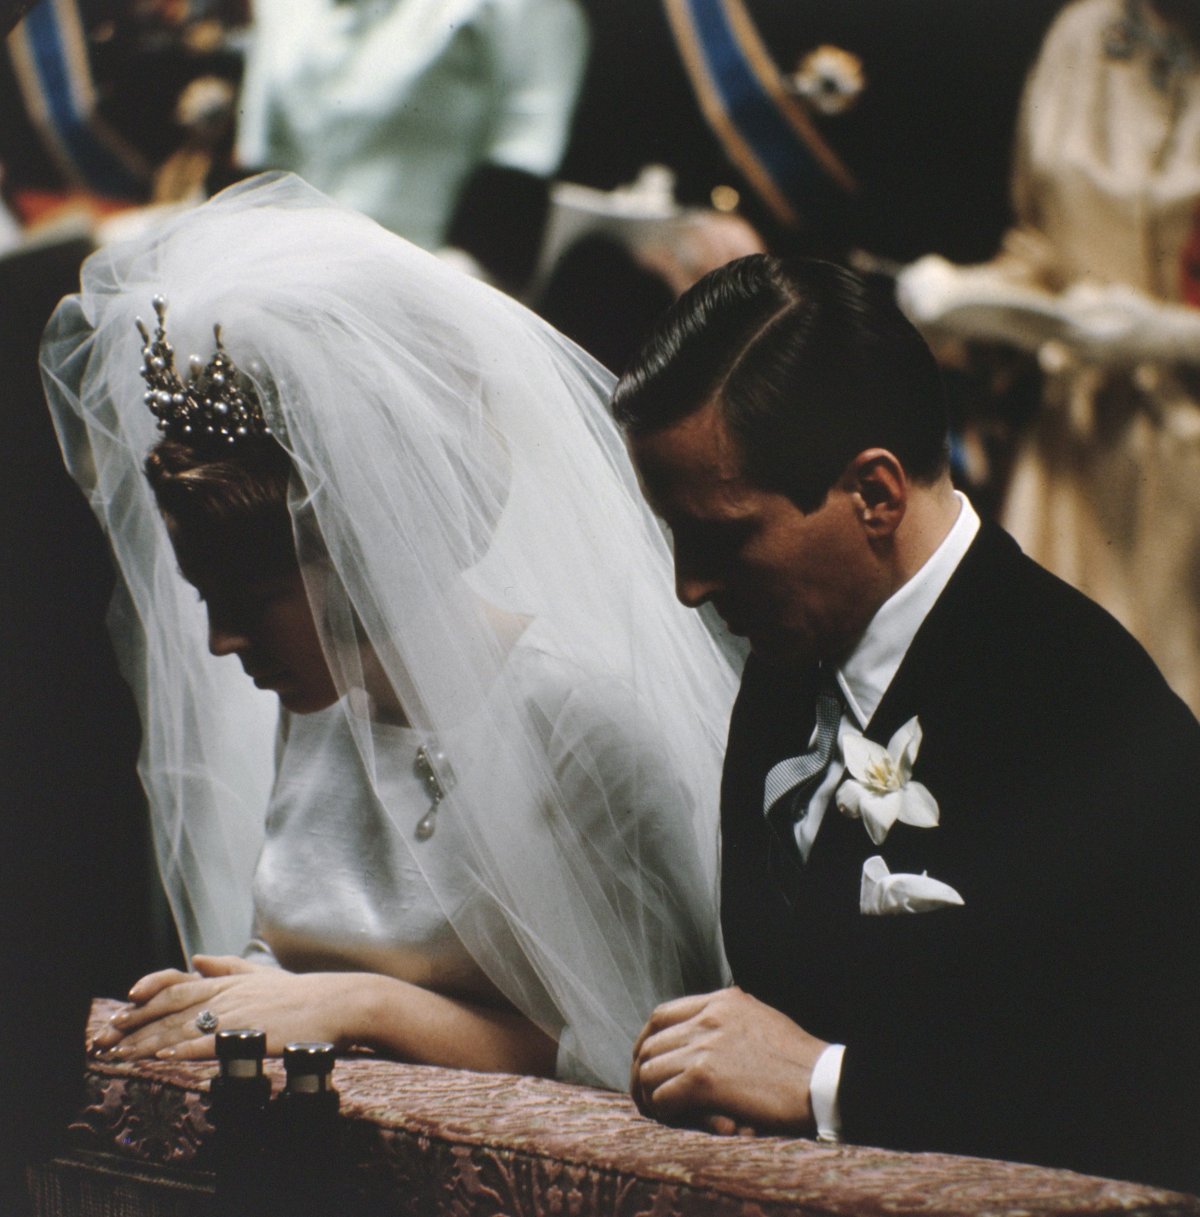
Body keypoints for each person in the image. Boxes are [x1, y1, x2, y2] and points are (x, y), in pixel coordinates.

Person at [42, 172, 737, 1091]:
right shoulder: (319, 705)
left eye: (246, 600)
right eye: (203, 597)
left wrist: (361, 1006)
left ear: (354, 553)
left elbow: (652, 1053)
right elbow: (285, 952)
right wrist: (237, 989)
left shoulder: (581, 729)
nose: (218, 644)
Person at [612, 254, 1200, 1191]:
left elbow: (1151, 1084)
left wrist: (823, 1083)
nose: (689, 587)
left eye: (723, 535)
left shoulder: (1082, 701)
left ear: (876, 493)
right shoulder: (784, 665)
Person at [898, 0, 1200, 716]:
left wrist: (1167, 334)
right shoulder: (1083, 33)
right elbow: (1043, 246)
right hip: (1080, 460)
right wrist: (965, 293)